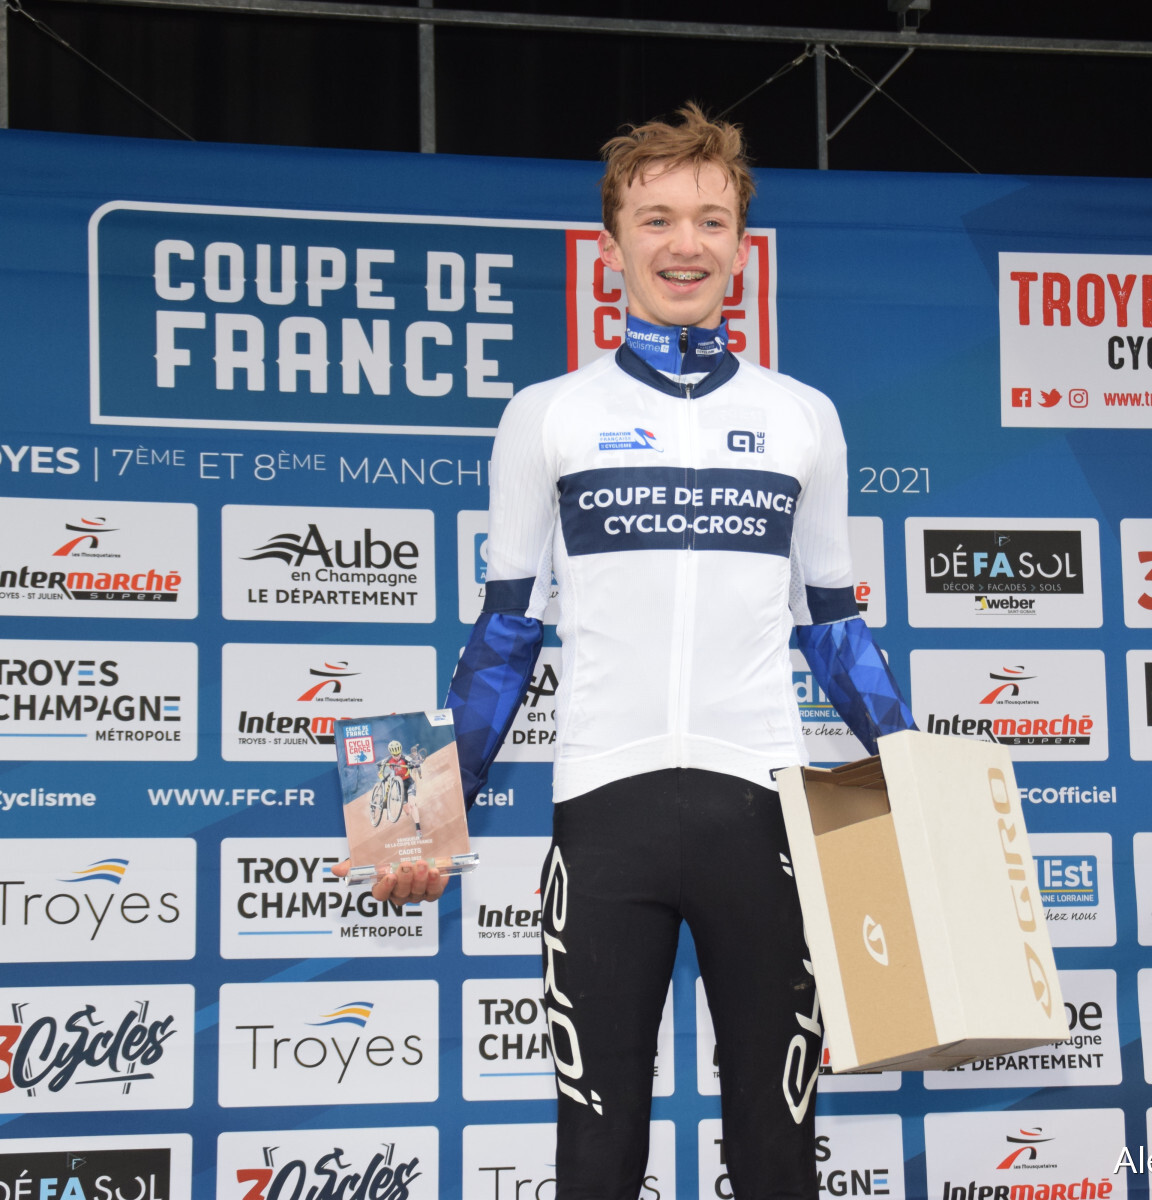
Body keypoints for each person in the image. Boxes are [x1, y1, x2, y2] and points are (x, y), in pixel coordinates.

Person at [348, 104, 912, 1198]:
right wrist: (412, 824)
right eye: (656, 219)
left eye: (711, 220)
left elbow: (834, 626)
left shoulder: (804, 417)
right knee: (596, 1156)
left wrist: (928, 779)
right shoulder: (547, 414)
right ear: (610, 246)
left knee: (778, 1154)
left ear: (742, 246)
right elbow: (505, 633)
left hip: (765, 815)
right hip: (605, 815)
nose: (684, 244)